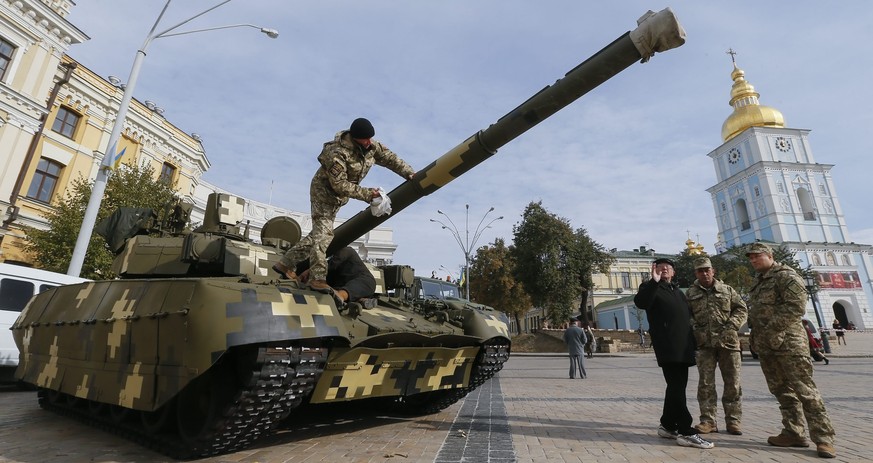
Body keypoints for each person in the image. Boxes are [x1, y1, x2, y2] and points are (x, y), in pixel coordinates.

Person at [272, 118, 415, 290]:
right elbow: (339, 185)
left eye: (371, 138)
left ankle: (285, 263)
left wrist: (409, 173)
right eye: (366, 139)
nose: (370, 142)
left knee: (318, 235)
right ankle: (317, 279)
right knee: (323, 237)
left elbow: (390, 158)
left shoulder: (370, 146)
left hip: (337, 199)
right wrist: (369, 194)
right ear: (355, 138)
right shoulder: (336, 153)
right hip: (323, 194)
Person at [746, 242, 836, 459]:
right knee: (781, 391)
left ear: (769, 255)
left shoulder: (786, 276)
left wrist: (770, 329)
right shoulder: (758, 282)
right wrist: (758, 337)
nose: (753, 261)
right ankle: (793, 432)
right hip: (768, 346)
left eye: (757, 256)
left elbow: (796, 306)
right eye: (750, 258)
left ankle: (824, 439)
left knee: (805, 391)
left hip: (789, 344)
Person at [634, 257, 714, 450]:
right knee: (677, 387)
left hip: (684, 346)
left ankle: (668, 425)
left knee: (676, 387)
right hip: (668, 346)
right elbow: (641, 303)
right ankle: (686, 431)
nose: (663, 270)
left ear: (673, 272)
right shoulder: (650, 288)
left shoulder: (677, 291)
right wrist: (652, 281)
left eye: (667, 268)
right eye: (659, 268)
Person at [686, 257, 748, 436]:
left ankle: (733, 421)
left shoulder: (727, 290)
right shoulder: (690, 293)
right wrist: (695, 327)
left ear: (713, 271)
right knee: (706, 384)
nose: (704, 273)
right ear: (696, 273)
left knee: (733, 383)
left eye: (707, 270)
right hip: (704, 344)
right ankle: (708, 421)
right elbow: (686, 315)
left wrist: (732, 325)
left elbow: (741, 309)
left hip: (728, 343)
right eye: (700, 271)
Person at [298, 246, 376, 304]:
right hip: (343, 287)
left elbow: (332, 264)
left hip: (365, 281)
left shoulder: (347, 251)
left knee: (348, 289)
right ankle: (359, 300)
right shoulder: (329, 265)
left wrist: (310, 271)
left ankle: (340, 297)